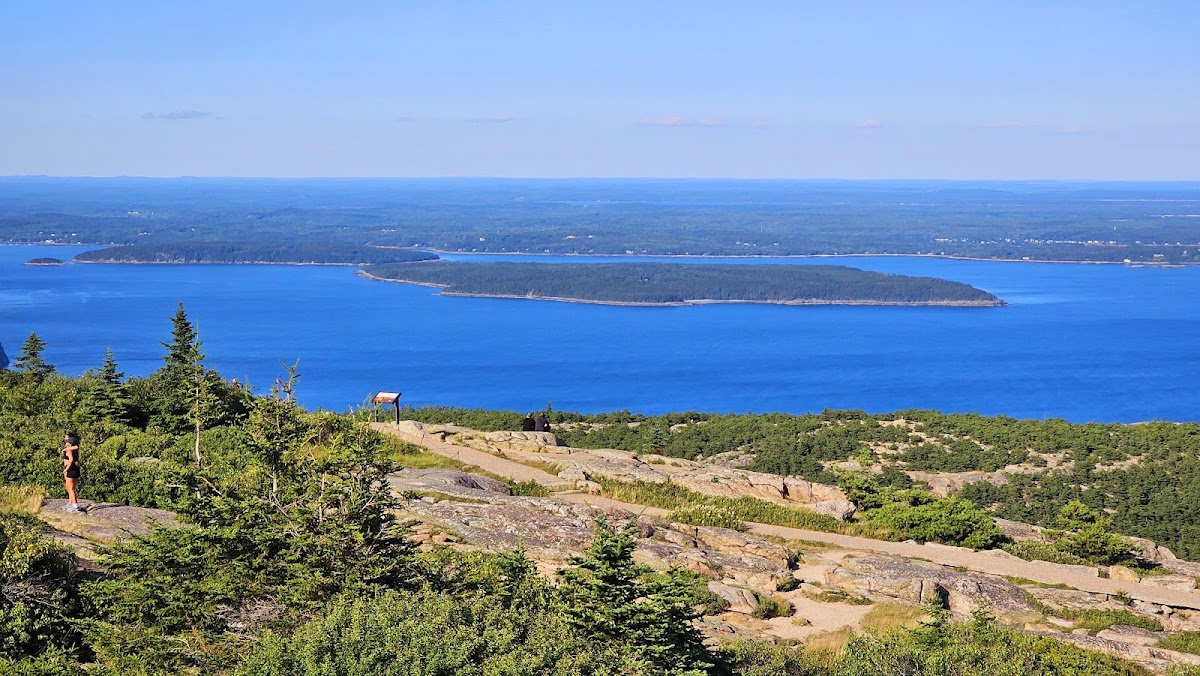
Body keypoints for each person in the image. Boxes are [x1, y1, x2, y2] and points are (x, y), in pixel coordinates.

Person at [62, 432, 83, 513]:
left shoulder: (69, 450)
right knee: (70, 488)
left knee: (70, 489)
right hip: (74, 468)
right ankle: (71, 503)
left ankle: (75, 505)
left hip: (70, 469)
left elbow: (70, 460)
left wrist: (66, 469)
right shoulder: (72, 449)